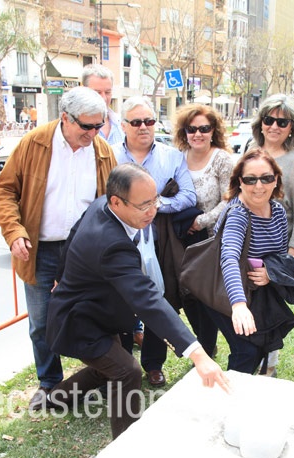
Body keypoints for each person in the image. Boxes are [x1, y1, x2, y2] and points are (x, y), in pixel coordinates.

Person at [46, 164, 230, 438]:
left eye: (155, 201)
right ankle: (125, 444)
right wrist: (198, 354)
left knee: (108, 367)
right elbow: (148, 299)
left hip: (100, 310)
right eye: (143, 205)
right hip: (78, 321)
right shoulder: (111, 243)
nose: (152, 211)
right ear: (116, 202)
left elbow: (74, 234)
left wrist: (60, 277)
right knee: (126, 371)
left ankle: (55, 398)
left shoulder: (101, 205)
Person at [0, 87, 117, 410]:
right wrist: (14, 231)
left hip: (85, 252)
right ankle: (49, 382)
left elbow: (113, 203)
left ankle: (104, 375)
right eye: (86, 126)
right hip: (41, 249)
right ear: (65, 118)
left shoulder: (103, 151)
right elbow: (5, 190)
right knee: (42, 321)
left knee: (96, 315)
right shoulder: (34, 143)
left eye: (99, 126)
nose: (93, 133)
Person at [112, 96, 197, 387]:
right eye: (136, 122)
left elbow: (189, 195)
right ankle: (121, 363)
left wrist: (154, 205)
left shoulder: (172, 157)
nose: (143, 127)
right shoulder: (109, 155)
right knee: (119, 299)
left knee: (160, 300)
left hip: (160, 240)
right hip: (118, 238)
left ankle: (153, 364)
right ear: (123, 125)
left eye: (149, 121)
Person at [205, 148, 294, 374]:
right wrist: (238, 305)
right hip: (226, 291)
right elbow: (229, 257)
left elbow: (279, 255)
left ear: (276, 180)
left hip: (257, 293)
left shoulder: (277, 211)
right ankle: (230, 393)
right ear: (240, 182)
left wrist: (270, 272)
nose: (259, 186)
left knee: (257, 349)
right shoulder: (238, 214)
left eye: (266, 178)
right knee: (246, 350)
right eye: (250, 179)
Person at [250, 94, 294, 374]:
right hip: (248, 244)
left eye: (282, 122)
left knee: (269, 311)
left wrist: (292, 257)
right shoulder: (251, 150)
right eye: (269, 119)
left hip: (277, 250)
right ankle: (250, 357)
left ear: (292, 128)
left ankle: (269, 366)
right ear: (261, 123)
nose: (274, 126)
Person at [173, 104, 233, 355]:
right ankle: (203, 342)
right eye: (192, 129)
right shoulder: (178, 157)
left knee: (206, 297)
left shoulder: (222, 159)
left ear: (213, 131)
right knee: (187, 295)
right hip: (182, 239)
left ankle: (207, 348)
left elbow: (230, 199)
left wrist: (201, 221)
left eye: (204, 128)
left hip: (211, 241)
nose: (198, 134)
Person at [82, 64, 125, 146]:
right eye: (98, 93)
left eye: (107, 92)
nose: (104, 98)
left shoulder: (123, 124)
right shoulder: (75, 127)